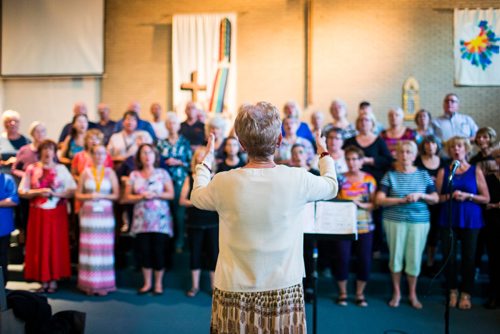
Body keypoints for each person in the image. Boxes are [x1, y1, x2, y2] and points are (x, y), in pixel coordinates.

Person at [191, 102, 338, 332]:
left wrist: (205, 163)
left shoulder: (223, 181)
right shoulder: (298, 178)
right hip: (283, 287)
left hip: (233, 288)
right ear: (279, 140)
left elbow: (197, 196)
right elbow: (331, 186)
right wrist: (323, 152)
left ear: (241, 144)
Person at [376, 141, 439, 309]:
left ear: (414, 155)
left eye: (408, 152)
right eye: (401, 152)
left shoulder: (423, 175)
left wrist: (420, 195)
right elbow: (379, 199)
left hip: (419, 221)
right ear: (396, 154)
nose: (404, 155)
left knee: (414, 258)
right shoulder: (390, 175)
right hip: (394, 220)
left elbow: (435, 198)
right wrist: (401, 200)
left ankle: (412, 293)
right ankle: (396, 292)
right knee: (395, 257)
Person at [436, 136, 490, 310]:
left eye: (459, 146)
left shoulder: (475, 170)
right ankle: (452, 291)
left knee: (469, 257)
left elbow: (486, 198)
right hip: (449, 218)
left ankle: (466, 292)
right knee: (449, 257)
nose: (456, 150)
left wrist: (469, 196)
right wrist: (450, 196)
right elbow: (437, 198)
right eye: (452, 147)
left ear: (466, 149)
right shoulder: (444, 171)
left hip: (471, 219)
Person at [18, 139, 77, 293]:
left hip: (57, 213)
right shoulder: (31, 169)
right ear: (40, 152)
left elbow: (72, 190)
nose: (47, 152)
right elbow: (22, 191)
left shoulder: (61, 169)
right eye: (45, 148)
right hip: (38, 213)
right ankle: (43, 279)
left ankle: (54, 279)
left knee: (55, 245)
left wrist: (56, 193)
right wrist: (38, 192)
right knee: (40, 245)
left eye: (50, 149)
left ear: (54, 151)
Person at [123, 144, 174, 295]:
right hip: (141, 221)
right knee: (144, 252)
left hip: (160, 221)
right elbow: (126, 197)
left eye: (150, 153)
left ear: (155, 156)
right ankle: (147, 283)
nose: (147, 156)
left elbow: (170, 194)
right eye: (143, 153)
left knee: (159, 251)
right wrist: (140, 196)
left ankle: (158, 284)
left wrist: (155, 195)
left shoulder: (162, 173)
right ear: (139, 157)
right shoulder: (134, 175)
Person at [333, 146, 376, 307]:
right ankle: (343, 293)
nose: (351, 162)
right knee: (342, 258)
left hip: (365, 225)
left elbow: (375, 204)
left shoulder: (369, 179)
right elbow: (334, 201)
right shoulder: (340, 178)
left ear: (361, 160)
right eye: (349, 159)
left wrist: (359, 204)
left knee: (364, 260)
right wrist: (345, 204)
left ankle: (359, 294)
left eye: (355, 159)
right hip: (343, 226)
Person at [75, 144, 119, 296]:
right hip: (89, 215)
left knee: (104, 249)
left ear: (106, 156)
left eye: (102, 153)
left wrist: (102, 196)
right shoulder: (85, 172)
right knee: (90, 249)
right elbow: (78, 195)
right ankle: (88, 284)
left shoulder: (110, 172)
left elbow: (116, 195)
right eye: (96, 153)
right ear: (91, 155)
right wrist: (90, 196)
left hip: (105, 215)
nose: (99, 156)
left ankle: (104, 284)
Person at [179, 147, 219, 297]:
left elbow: (218, 200)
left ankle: (214, 287)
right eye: (199, 156)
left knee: (213, 254)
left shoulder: (216, 177)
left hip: (212, 222)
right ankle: (194, 286)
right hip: (194, 222)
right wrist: (200, 202)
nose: (201, 159)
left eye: (204, 156)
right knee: (194, 254)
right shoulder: (190, 177)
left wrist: (198, 201)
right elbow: (182, 200)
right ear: (195, 159)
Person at [156, 112, 192, 252]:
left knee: (179, 213)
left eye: (175, 123)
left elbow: (190, 162)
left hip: (180, 180)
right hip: (164, 181)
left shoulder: (185, 142)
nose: (172, 126)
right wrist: (166, 162)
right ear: (166, 125)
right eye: (169, 123)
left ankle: (179, 242)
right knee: (166, 212)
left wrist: (178, 162)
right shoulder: (160, 143)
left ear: (178, 126)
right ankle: (167, 242)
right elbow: (156, 161)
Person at [414, 135, 449, 275]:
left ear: (437, 146)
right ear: (423, 146)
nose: (430, 146)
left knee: (434, 233)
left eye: (433, 143)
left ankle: (430, 261)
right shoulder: (417, 161)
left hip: (437, 202)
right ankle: (417, 262)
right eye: (427, 144)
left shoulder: (445, 162)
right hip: (420, 202)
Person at [484, 147, 500, 309]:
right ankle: (494, 294)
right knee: (494, 261)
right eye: (498, 156)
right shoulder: (489, 179)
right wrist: (496, 205)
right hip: (494, 224)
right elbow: (485, 202)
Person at [0, 172, 19, 285]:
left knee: (2, 256)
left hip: (3, 227)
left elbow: (14, 200)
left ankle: (2, 286)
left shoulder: (7, 179)